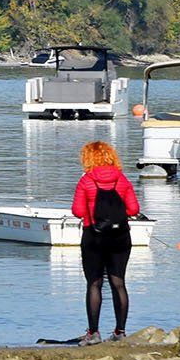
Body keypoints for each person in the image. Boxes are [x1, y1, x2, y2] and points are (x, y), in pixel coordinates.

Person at [71, 140, 141, 344]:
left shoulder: (86, 181)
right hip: (120, 237)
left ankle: (93, 333)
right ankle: (120, 332)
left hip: (94, 236)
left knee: (94, 283)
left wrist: (95, 214)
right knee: (118, 283)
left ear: (87, 159)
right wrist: (116, 216)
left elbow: (77, 212)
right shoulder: (122, 180)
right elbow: (134, 209)